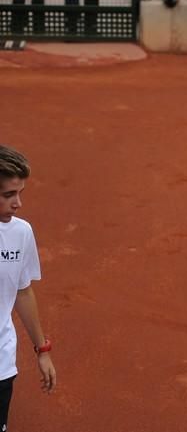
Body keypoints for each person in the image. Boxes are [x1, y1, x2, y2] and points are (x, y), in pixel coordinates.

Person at [0, 145, 56, 432]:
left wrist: (42, 350)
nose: (18, 203)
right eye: (8, 195)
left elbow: (22, 291)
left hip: (1, 363)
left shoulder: (21, 233)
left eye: (20, 193)